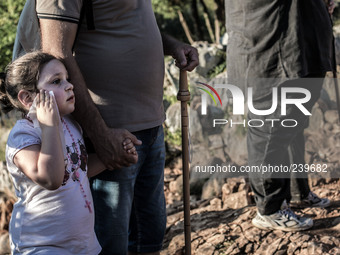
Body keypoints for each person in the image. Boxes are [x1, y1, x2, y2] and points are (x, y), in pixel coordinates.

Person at [34, 1, 199, 254]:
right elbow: (56, 51)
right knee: (111, 244)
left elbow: (129, 20)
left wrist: (171, 45)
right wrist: (101, 135)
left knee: (150, 236)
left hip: (151, 124)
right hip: (108, 132)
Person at [0, 51, 136, 254]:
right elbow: (51, 178)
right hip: (42, 246)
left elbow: (77, 170)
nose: (69, 85)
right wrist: (50, 126)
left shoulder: (71, 124)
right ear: (28, 98)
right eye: (56, 81)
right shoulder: (22, 135)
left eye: (67, 79)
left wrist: (114, 157)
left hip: (82, 243)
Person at [225, 0, 333, 231]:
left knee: (293, 122)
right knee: (270, 126)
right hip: (268, 45)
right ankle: (269, 208)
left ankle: (297, 192)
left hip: (299, 38)